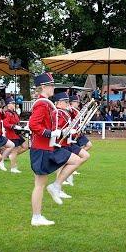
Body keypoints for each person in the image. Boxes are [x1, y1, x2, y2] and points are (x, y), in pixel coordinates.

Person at [28, 73, 82, 226]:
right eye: (51, 85)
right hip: (41, 148)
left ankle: (56, 186)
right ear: (44, 87)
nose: (53, 88)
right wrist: (50, 133)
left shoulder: (46, 103)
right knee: (39, 184)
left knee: (76, 160)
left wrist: (60, 133)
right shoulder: (42, 103)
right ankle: (36, 217)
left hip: (48, 147)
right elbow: (33, 125)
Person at [2, 97, 28, 173]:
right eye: (12, 103)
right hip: (11, 134)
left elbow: (17, 121)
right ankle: (13, 167)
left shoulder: (14, 112)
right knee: (14, 151)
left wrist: (21, 126)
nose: (14, 104)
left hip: (17, 133)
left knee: (25, 146)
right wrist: (13, 126)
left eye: (14, 103)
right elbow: (5, 124)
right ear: (8, 105)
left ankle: (10, 156)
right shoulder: (7, 113)